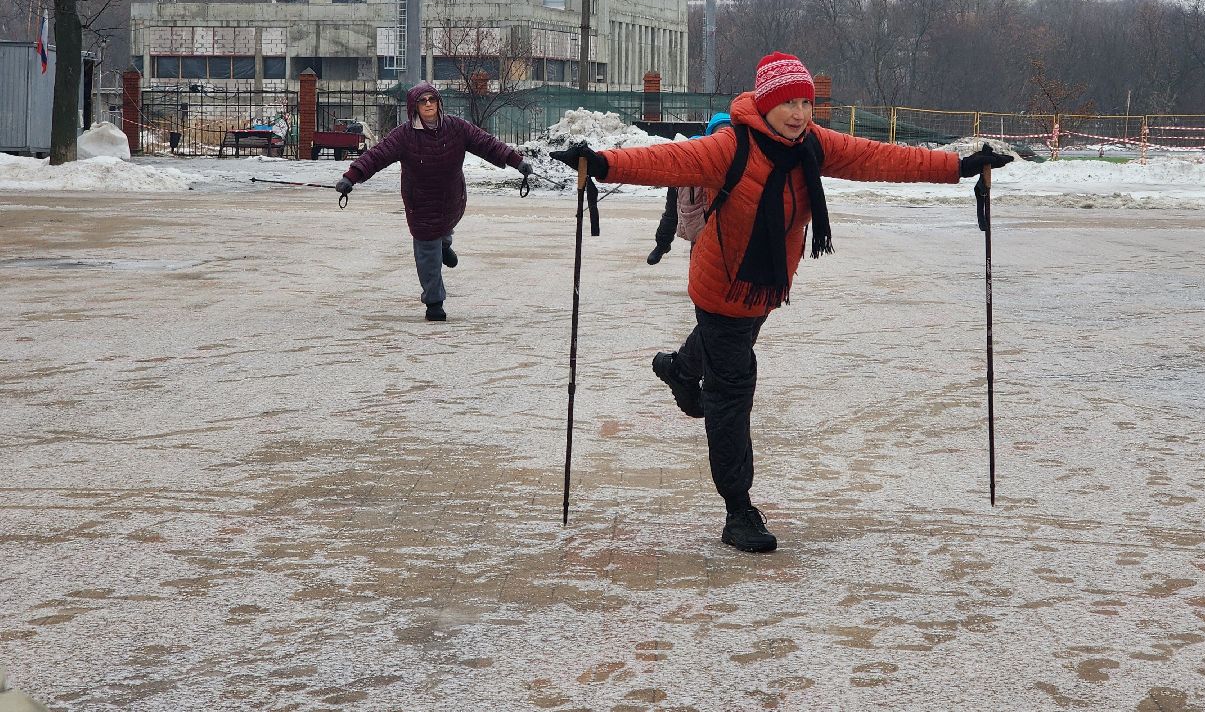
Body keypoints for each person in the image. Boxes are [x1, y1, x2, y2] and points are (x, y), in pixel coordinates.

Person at [552, 52, 1013, 553]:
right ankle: (737, 509)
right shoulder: (732, 145)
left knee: (726, 345)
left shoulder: (810, 146)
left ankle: (683, 370)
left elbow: (875, 157)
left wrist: (960, 166)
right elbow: (669, 161)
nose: (798, 113)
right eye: (787, 103)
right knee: (732, 389)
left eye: (805, 102)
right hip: (721, 283)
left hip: (765, 286)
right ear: (765, 105)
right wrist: (600, 162)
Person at [336, 83, 532, 321]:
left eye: (432, 99)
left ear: (438, 102)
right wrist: (350, 178)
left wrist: (518, 162)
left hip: (452, 199)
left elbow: (487, 144)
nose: (428, 103)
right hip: (420, 203)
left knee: (443, 230)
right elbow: (376, 156)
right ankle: (434, 302)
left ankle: (443, 244)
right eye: (422, 100)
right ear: (414, 107)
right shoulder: (404, 135)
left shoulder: (457, 128)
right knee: (427, 253)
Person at [647, 112, 732, 266]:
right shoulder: (692, 160)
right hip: (699, 230)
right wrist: (662, 244)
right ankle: (663, 245)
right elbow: (671, 214)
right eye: (719, 132)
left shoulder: (738, 161)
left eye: (729, 132)